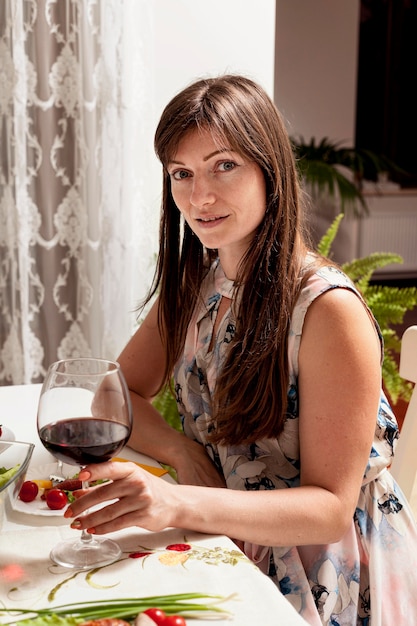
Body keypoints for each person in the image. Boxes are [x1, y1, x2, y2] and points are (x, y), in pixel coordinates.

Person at [65, 74, 417, 625]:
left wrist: (178, 502)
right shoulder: (196, 287)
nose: (200, 195)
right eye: (182, 173)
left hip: (327, 572)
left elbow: (328, 510)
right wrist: (184, 454)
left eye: (223, 165)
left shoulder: (328, 312)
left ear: (269, 169)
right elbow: (115, 395)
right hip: (227, 536)